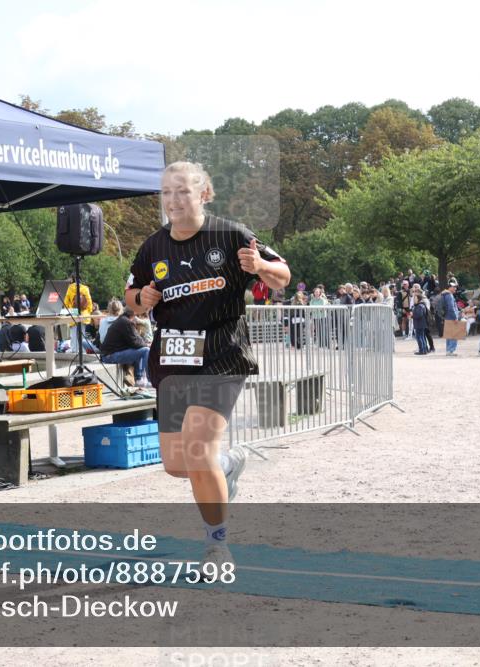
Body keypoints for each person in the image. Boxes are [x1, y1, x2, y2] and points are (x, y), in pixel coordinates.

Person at [125, 161, 290, 571]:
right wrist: (141, 299)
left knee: (198, 454)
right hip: (172, 362)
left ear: (204, 194)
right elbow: (131, 295)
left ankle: (217, 545)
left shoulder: (231, 235)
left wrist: (260, 268)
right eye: (166, 192)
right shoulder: (152, 248)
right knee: (176, 465)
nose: (173, 200)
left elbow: (283, 276)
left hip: (221, 355)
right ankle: (227, 464)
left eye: (182, 191)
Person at [100, 309, 151, 387]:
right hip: (110, 356)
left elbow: (135, 340)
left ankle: (138, 378)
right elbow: (135, 343)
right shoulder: (126, 322)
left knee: (141, 350)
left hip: (108, 354)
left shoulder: (122, 320)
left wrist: (144, 343)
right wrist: (147, 345)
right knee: (146, 350)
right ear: (134, 315)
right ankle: (141, 379)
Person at [439, 282, 460, 356]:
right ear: (449, 287)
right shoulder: (449, 295)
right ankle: (451, 350)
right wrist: (455, 317)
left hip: (447, 316)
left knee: (449, 335)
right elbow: (451, 308)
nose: (455, 288)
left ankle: (448, 350)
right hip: (451, 317)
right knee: (454, 334)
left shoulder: (444, 294)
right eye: (454, 287)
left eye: (455, 287)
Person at [410, 286, 430, 355]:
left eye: (415, 298)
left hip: (420, 324)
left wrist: (412, 315)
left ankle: (422, 350)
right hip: (421, 324)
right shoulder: (419, 305)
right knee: (422, 337)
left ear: (418, 299)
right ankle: (424, 350)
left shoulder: (420, 306)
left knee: (419, 337)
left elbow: (419, 315)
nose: (414, 300)